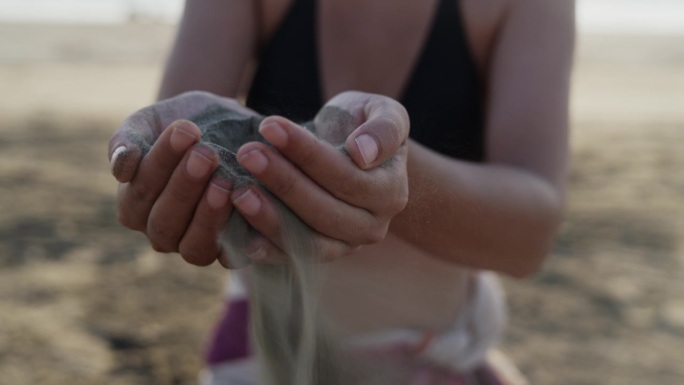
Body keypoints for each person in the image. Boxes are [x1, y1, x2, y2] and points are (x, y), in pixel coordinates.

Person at [108, 0, 574, 383]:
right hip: (260, 353)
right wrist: (164, 168)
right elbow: (169, 157)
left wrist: (396, 175)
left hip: (427, 359)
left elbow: (530, 240)